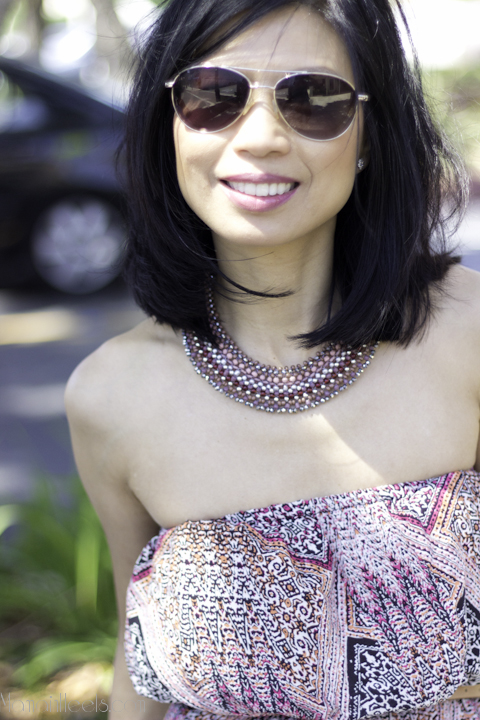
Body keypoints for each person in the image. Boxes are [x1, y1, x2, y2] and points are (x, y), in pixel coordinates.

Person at [65, 0, 480, 718]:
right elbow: (140, 666)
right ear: (169, 125)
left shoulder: (466, 331)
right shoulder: (109, 395)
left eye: (314, 99)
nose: (260, 137)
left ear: (369, 135)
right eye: (214, 96)